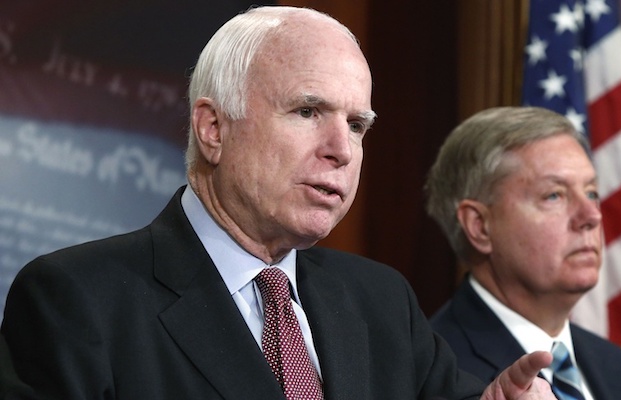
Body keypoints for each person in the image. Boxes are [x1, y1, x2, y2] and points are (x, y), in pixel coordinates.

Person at [0, 7, 557, 400]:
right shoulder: (75, 301)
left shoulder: (379, 302)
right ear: (214, 128)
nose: (342, 150)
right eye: (308, 111)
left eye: (358, 124)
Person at [425, 106, 621, 399]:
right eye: (554, 195)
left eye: (591, 193)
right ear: (480, 226)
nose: (592, 215)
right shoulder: (430, 373)